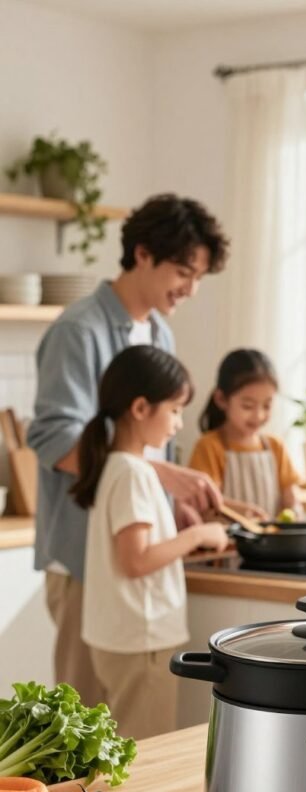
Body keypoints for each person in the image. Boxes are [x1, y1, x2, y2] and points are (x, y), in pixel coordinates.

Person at [28, 193, 230, 706]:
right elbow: (54, 439)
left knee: (126, 737)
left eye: (200, 277)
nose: (191, 288)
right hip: (82, 559)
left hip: (133, 554)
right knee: (78, 730)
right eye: (184, 271)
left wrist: (174, 504)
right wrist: (163, 478)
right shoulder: (79, 330)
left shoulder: (159, 331)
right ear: (142, 254)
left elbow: (150, 441)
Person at [70, 345, 228, 739]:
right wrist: (198, 535)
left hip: (120, 637)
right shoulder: (133, 473)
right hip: (142, 641)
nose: (178, 424)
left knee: (118, 752)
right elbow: (135, 560)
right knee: (142, 756)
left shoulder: (117, 465)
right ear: (140, 408)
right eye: (174, 410)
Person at [190, 349, 303, 520]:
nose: (258, 416)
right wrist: (240, 512)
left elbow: (291, 496)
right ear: (221, 399)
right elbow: (205, 503)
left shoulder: (275, 447)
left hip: (270, 544)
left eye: (267, 406)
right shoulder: (209, 446)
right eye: (248, 406)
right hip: (224, 544)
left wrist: (294, 510)